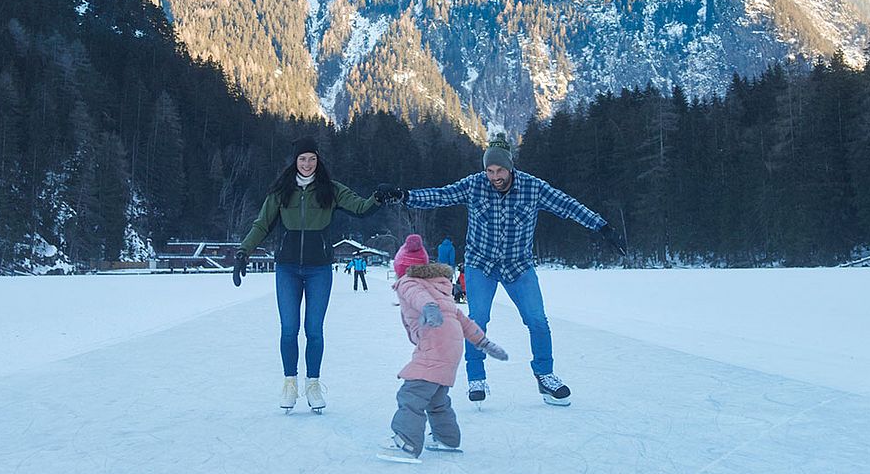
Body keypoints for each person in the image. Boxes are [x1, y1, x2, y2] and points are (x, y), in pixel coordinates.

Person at [376, 134, 624, 406]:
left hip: (519, 266)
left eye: (500, 171)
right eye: (490, 171)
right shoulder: (474, 185)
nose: (495, 177)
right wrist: (405, 196)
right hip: (481, 263)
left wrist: (601, 226)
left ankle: (545, 375)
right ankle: (477, 377)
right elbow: (441, 195)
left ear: (510, 167)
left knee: (537, 320)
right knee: (477, 319)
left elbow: (567, 204)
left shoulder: (533, 187)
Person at [234, 136, 392, 413]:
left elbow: (360, 208)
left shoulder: (331, 190)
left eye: (312, 159)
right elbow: (261, 225)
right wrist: (243, 252)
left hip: (319, 269)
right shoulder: (281, 191)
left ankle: (314, 384)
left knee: (314, 330)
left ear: (318, 161)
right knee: (289, 329)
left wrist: (377, 198)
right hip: (287, 268)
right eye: (302, 159)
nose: (307, 164)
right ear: (295, 161)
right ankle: (289, 383)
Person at [378, 261, 508, 464]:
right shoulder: (441, 290)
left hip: (434, 345)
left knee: (411, 394)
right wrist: (484, 342)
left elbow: (417, 296)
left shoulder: (408, 281)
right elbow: (465, 322)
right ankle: (447, 439)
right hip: (451, 350)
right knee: (436, 399)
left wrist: (429, 308)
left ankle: (406, 442)